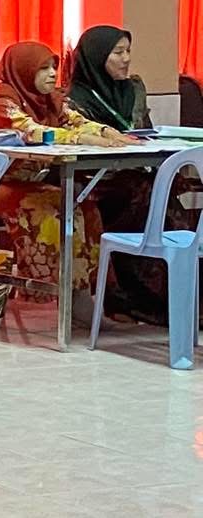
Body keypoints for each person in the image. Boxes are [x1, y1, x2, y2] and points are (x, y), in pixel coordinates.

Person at [0, 40, 128, 313]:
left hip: (28, 185)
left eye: (53, 67)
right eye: (43, 68)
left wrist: (106, 132)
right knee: (52, 210)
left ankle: (87, 297)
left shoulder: (50, 99)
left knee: (86, 208)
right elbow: (31, 131)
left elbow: (76, 120)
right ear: (24, 70)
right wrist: (80, 139)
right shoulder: (2, 101)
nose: (52, 74)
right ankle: (56, 294)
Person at [62, 27, 192, 324]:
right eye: (118, 53)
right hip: (97, 184)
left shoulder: (133, 90)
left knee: (160, 188)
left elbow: (145, 131)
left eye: (128, 51)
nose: (126, 59)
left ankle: (182, 295)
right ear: (97, 58)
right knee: (144, 192)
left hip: (135, 175)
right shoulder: (73, 101)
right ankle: (136, 298)